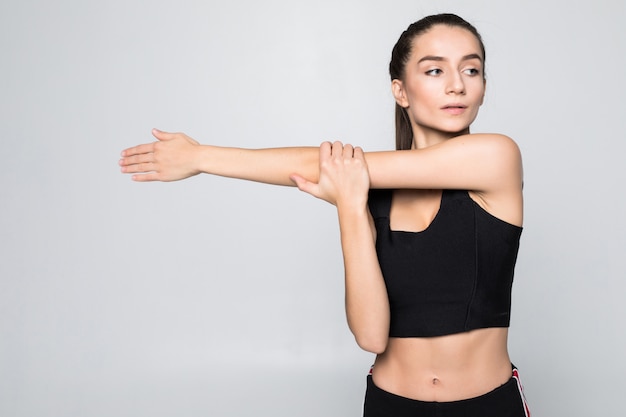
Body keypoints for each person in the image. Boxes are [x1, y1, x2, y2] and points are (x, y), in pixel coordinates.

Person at [120, 13, 530, 417]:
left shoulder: (495, 157)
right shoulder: (365, 193)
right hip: (390, 405)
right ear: (400, 91)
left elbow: (327, 166)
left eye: (471, 70)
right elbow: (371, 336)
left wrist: (201, 157)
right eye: (435, 70)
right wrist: (350, 207)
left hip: (488, 406)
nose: (457, 85)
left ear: (483, 87)